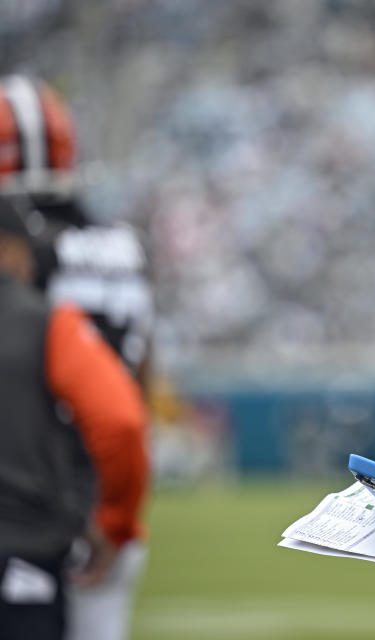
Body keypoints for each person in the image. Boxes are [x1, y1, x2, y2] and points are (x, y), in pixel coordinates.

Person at [0, 74, 153, 640]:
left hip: (40, 501)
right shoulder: (125, 243)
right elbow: (136, 376)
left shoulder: (21, 246)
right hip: (110, 487)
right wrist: (121, 511)